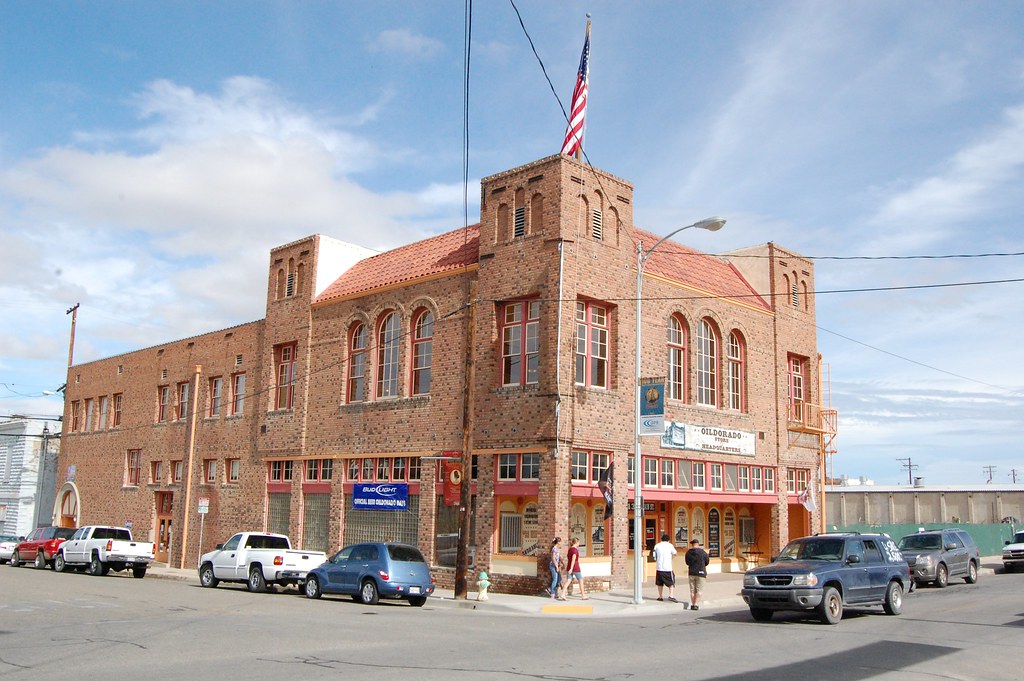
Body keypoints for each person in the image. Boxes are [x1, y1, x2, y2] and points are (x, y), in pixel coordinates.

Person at [685, 538, 711, 610]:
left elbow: (687, 562)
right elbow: (707, 562)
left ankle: (693, 604)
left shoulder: (688, 552)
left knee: (692, 590)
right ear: (698, 544)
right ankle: (696, 604)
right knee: (699, 590)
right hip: (701, 573)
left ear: (692, 545)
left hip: (691, 573)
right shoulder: (703, 552)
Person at [652, 533, 678, 603]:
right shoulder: (670, 546)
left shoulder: (657, 546)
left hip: (659, 568)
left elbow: (654, 556)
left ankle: (660, 596)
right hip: (668, 568)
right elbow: (675, 553)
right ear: (668, 540)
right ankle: (671, 596)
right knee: (671, 582)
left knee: (659, 583)